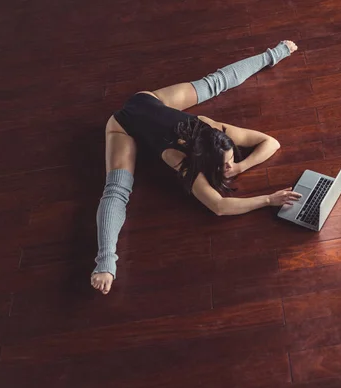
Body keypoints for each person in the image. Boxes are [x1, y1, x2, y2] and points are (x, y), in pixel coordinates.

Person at [91, 40, 302, 295]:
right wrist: (269, 199)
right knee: (116, 190)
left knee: (214, 83)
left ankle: (273, 54)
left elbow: (271, 142)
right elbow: (219, 206)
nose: (230, 163)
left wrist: (239, 167)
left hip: (150, 100)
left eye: (230, 156)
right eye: (225, 163)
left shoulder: (212, 129)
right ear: (204, 162)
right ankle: (105, 262)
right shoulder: (179, 159)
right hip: (125, 124)